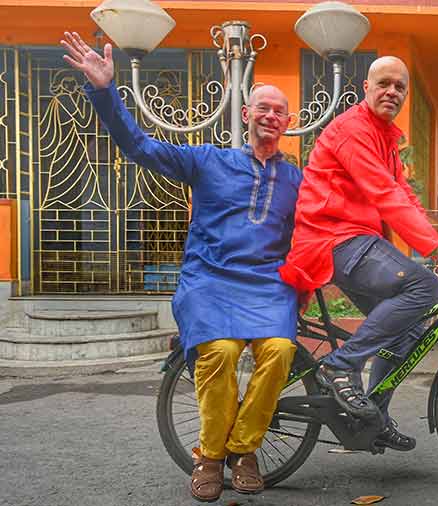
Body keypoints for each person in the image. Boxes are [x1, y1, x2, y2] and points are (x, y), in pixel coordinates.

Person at [61, 32, 302, 502]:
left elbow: (331, 218)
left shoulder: (297, 178)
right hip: (209, 280)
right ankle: (212, 457)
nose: (270, 116)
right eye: (263, 108)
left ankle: (244, 449)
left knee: (279, 351)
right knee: (221, 354)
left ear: (288, 122)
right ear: (247, 114)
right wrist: (105, 92)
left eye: (279, 110)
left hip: (268, 285)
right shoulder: (208, 160)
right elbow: (140, 147)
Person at [279, 56, 438, 451]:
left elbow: (403, 195)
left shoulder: (384, 136)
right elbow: (383, 195)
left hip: (357, 241)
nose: (392, 92)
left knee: (409, 331)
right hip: (332, 239)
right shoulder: (354, 131)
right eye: (384, 83)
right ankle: (341, 367)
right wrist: (434, 248)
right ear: (366, 88)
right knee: (422, 286)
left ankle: (371, 417)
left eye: (400, 87)